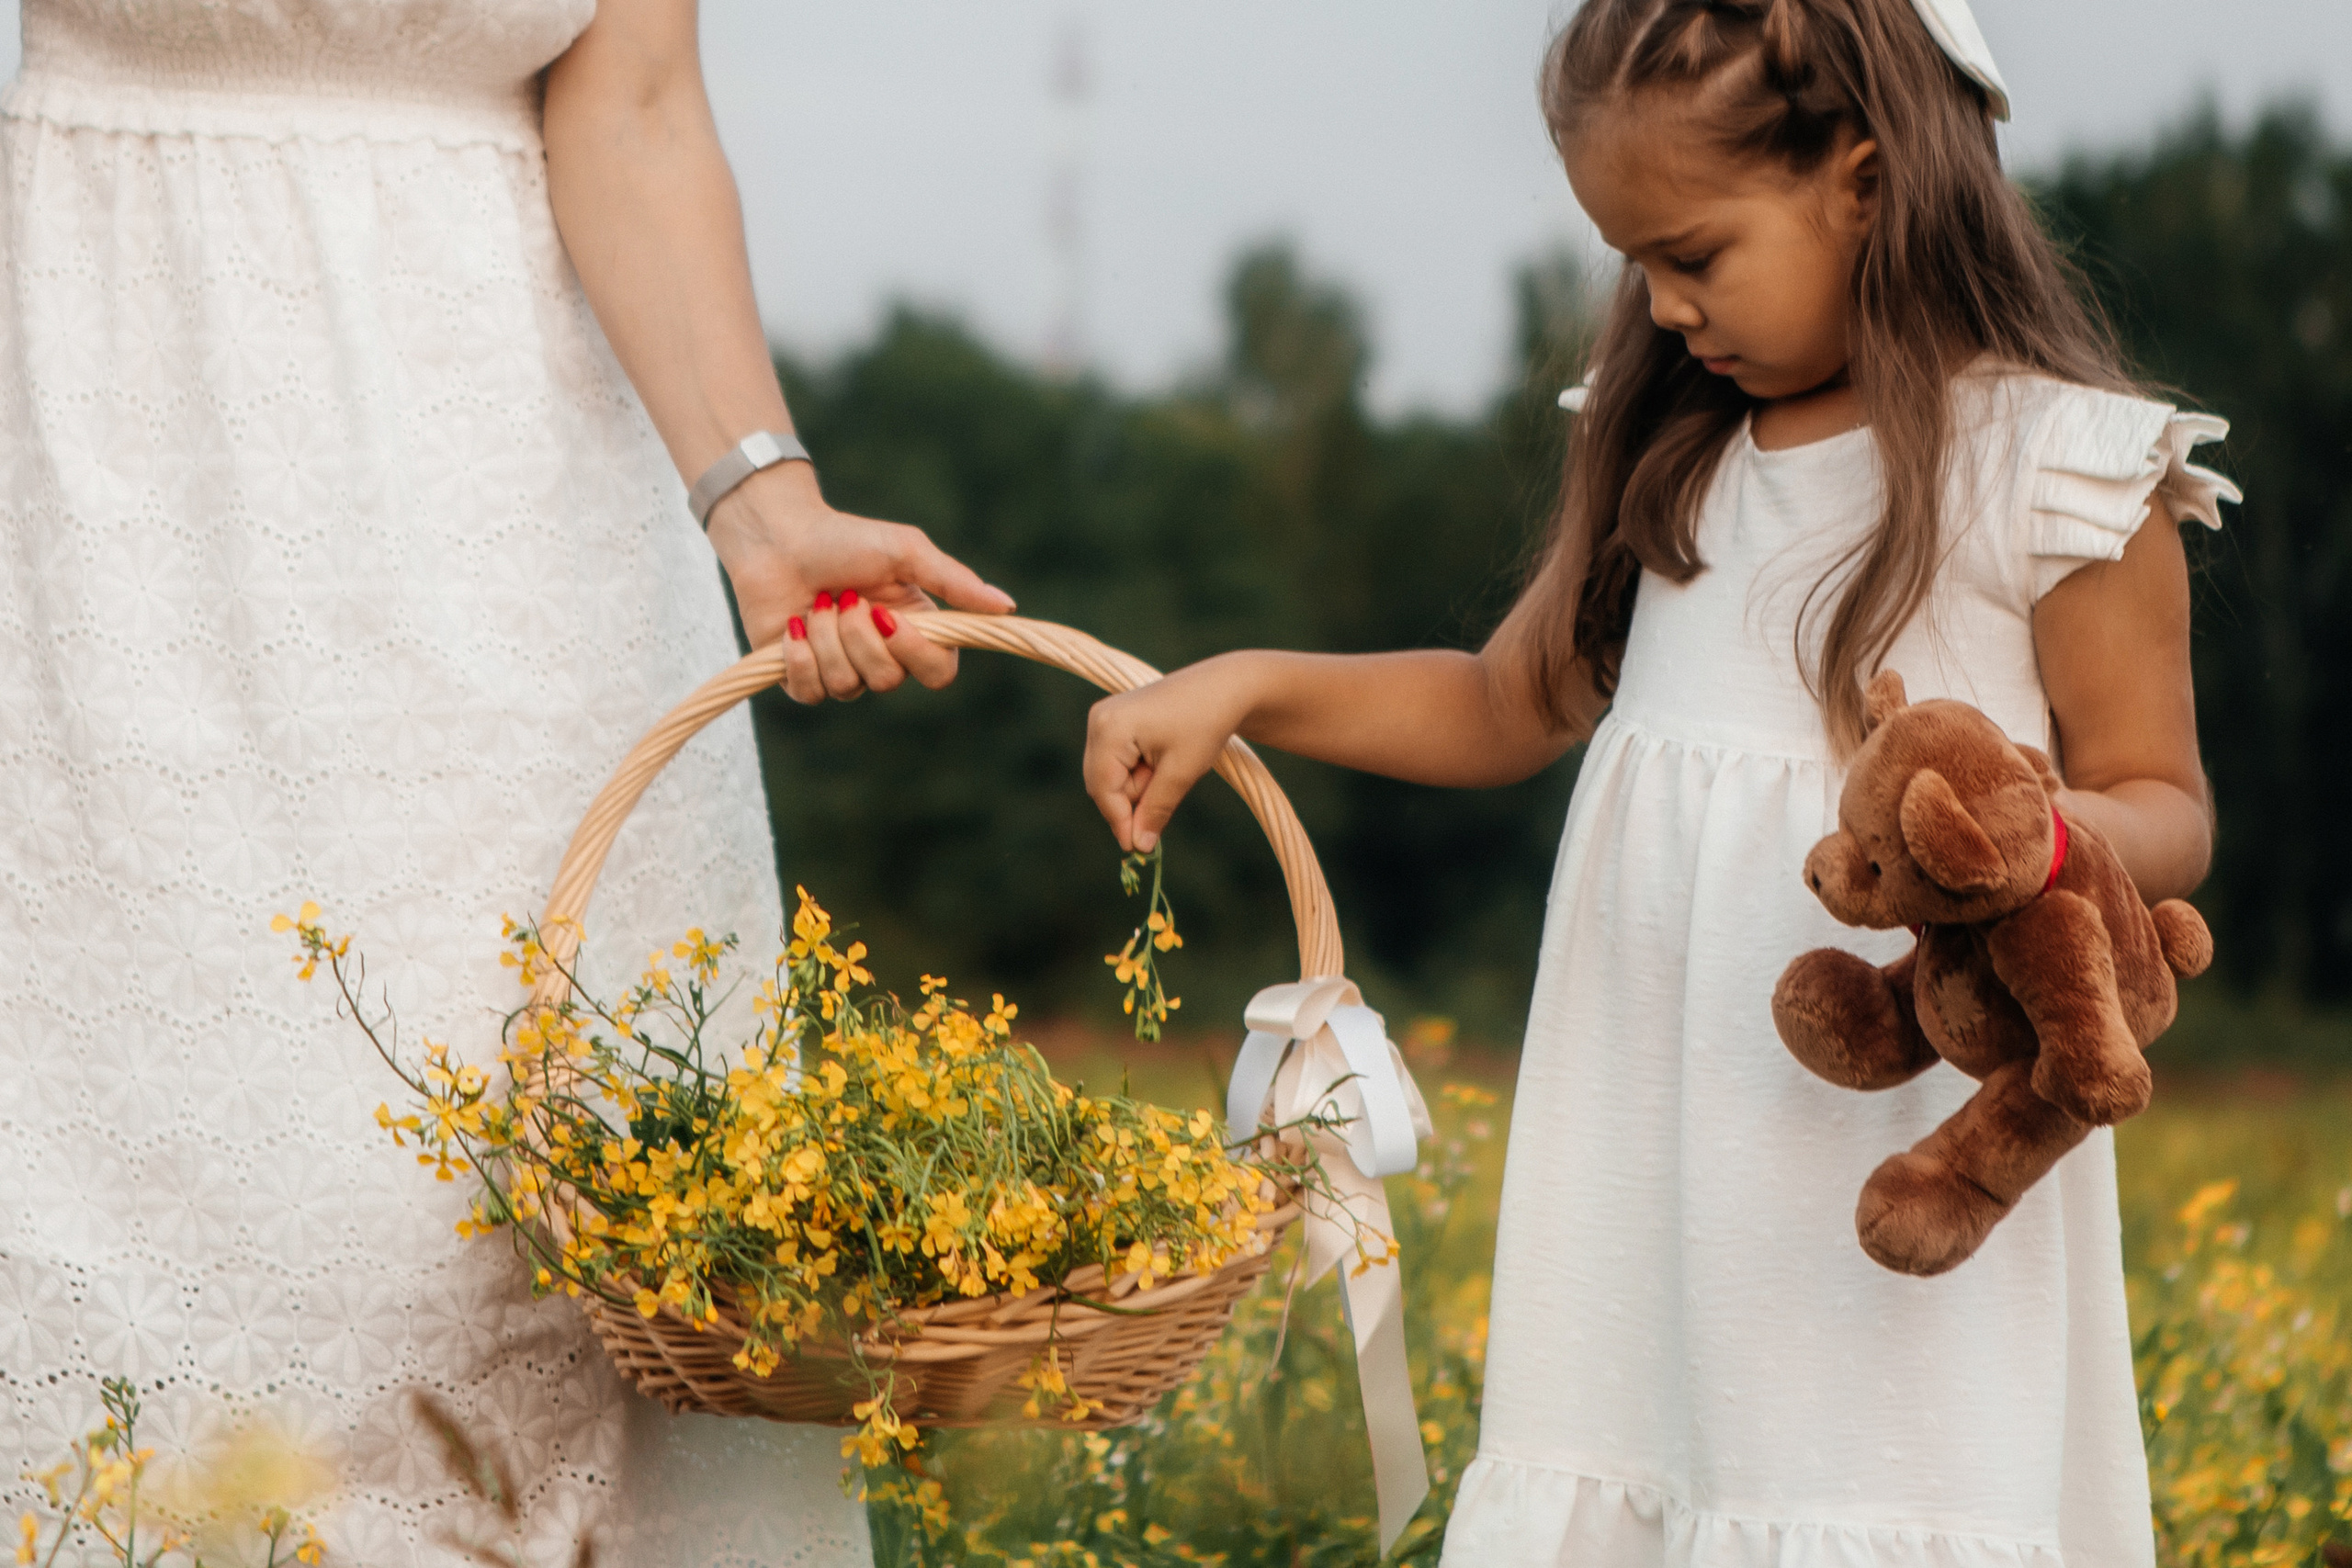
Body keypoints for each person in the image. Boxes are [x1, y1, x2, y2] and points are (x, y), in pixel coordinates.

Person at [1082, 0, 2234, 1562]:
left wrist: (2033, 846)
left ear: (1867, 181)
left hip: (1884, 1167)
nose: (1663, 303)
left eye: (1693, 253)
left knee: (1870, 1487)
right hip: (1658, 1170)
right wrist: (1246, 687)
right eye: (1632, 261)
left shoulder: (2060, 473)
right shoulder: (1675, 460)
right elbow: (1500, 704)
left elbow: (2163, 801)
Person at [0, 0, 1006, 1563]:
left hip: (522, 499)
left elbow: (641, 101)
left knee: (531, 1219)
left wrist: (761, 502)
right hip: (94, 451)